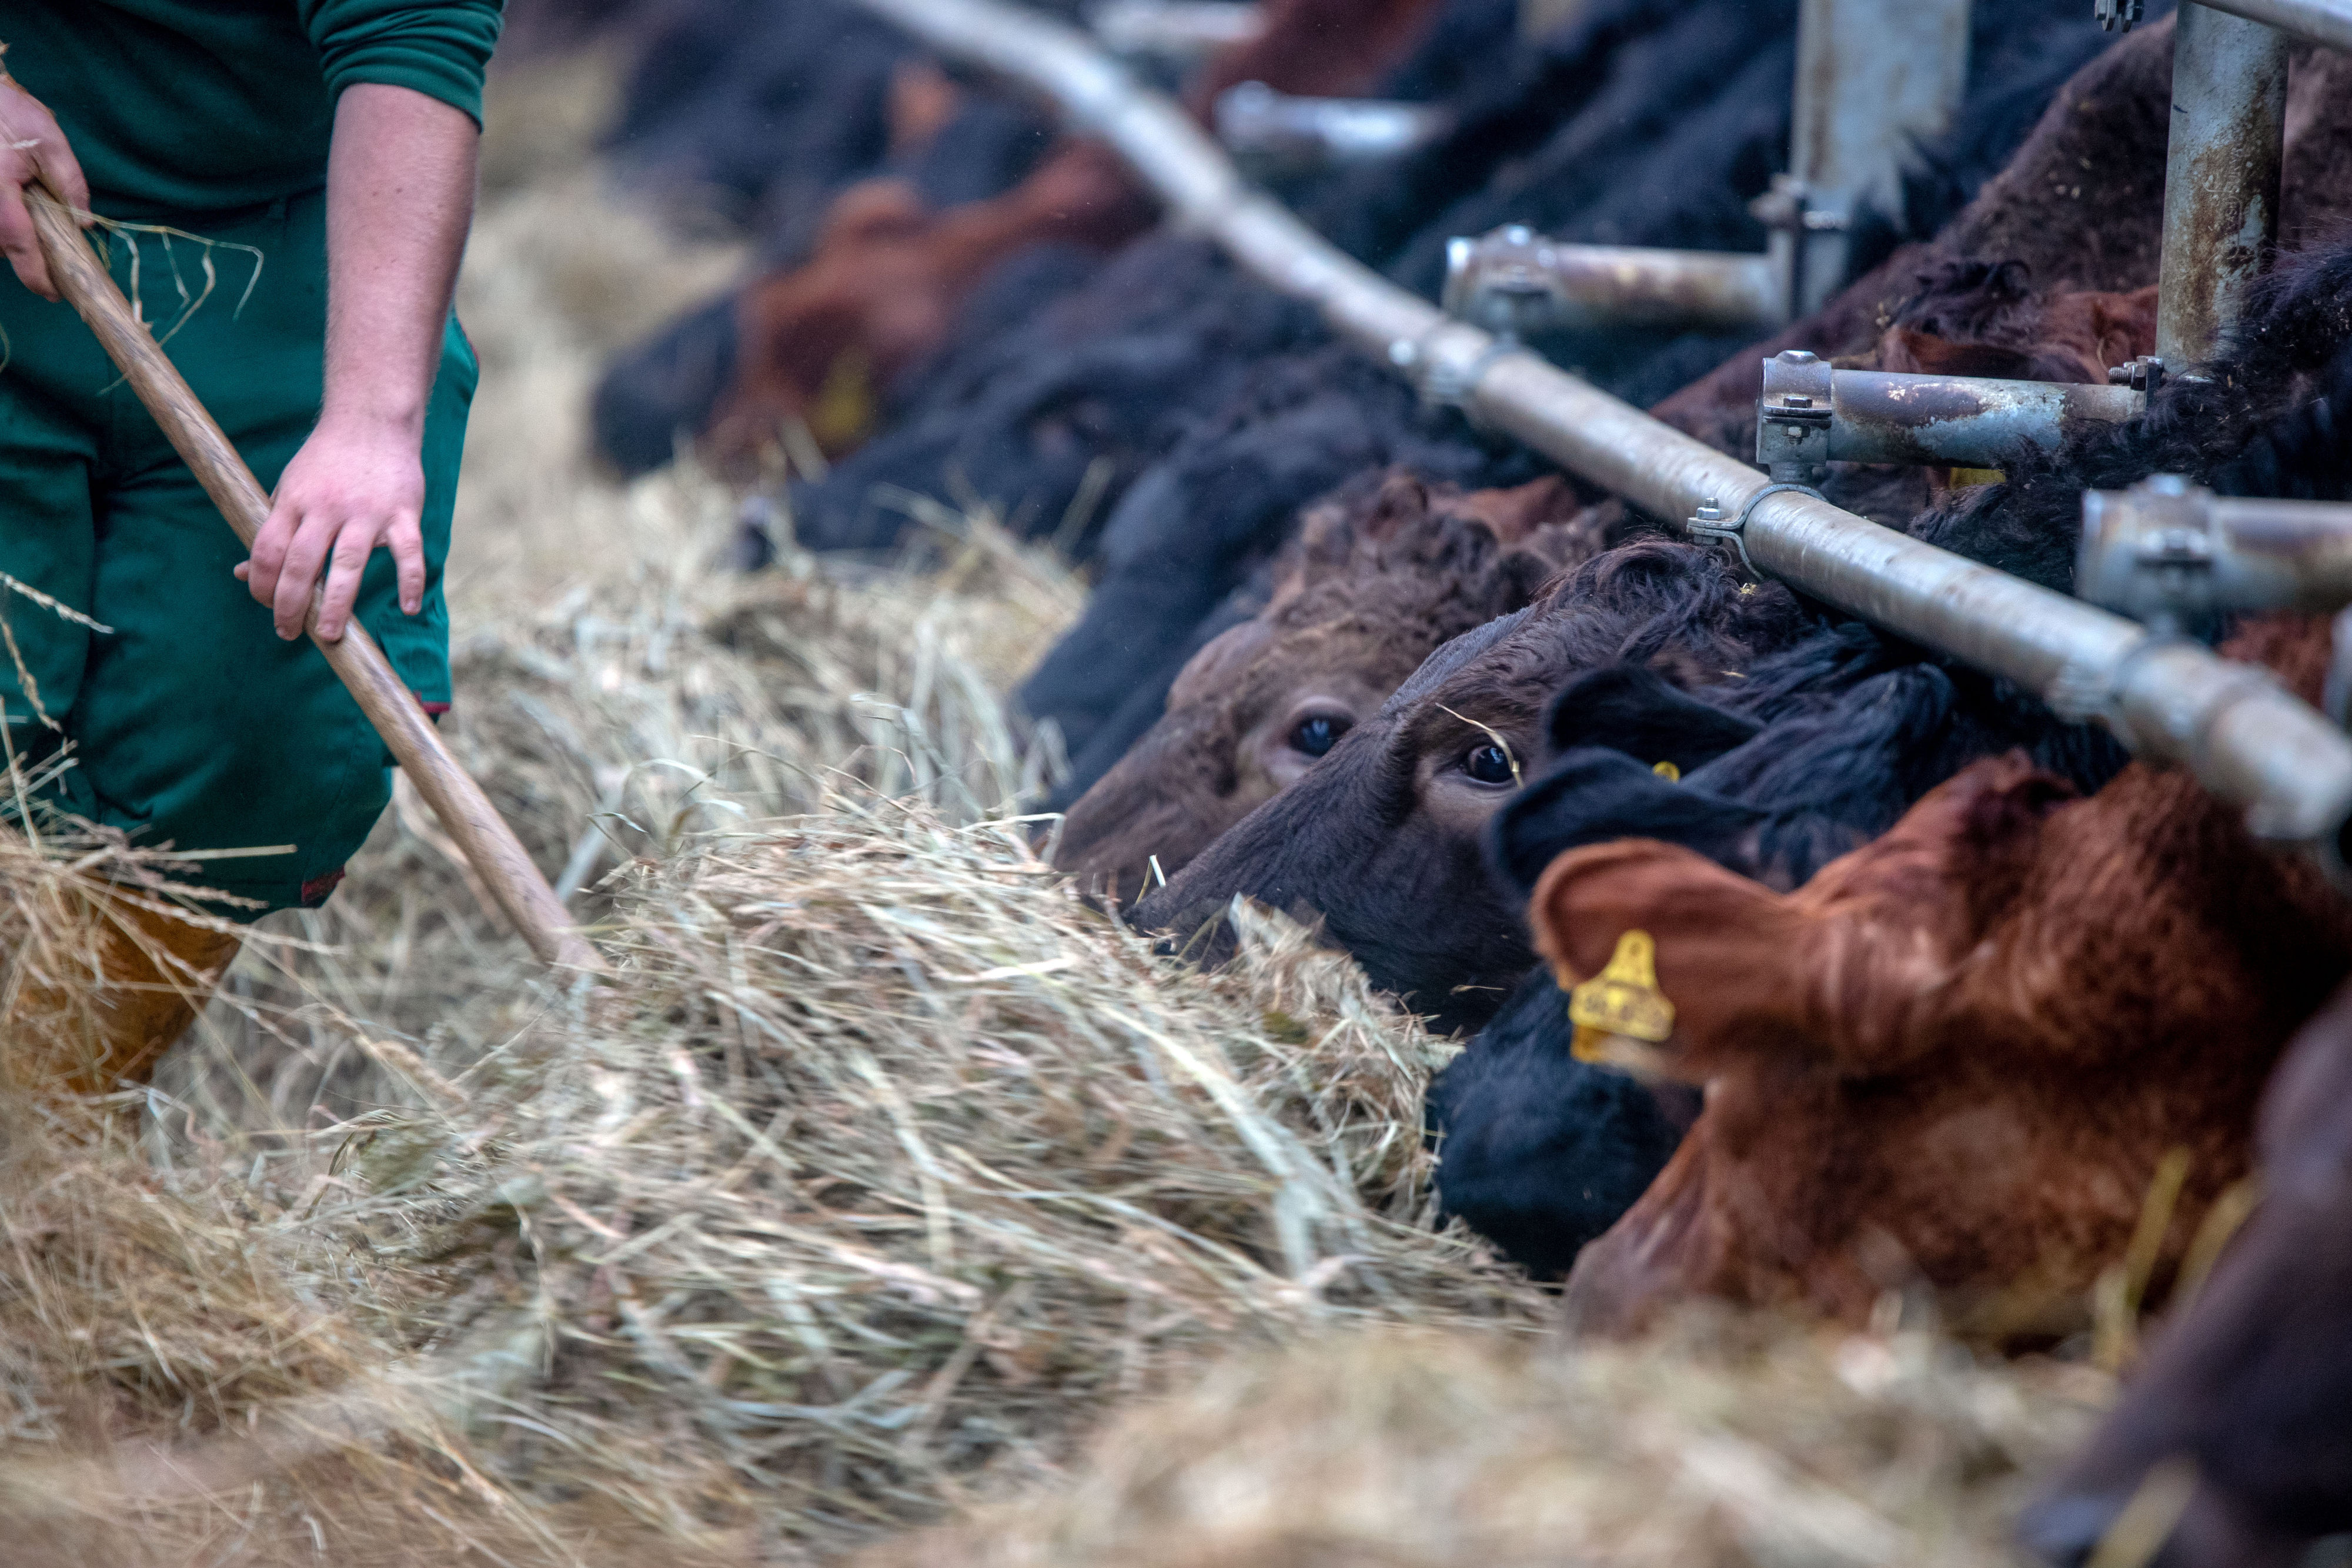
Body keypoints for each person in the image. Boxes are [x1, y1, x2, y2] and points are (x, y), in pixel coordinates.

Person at [0, 2, 503, 1092]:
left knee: (263, 732)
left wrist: (370, 421)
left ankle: (52, 1115)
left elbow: (409, 28)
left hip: (277, 247)